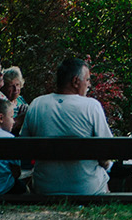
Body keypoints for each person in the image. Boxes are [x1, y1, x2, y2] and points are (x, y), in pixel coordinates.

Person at [21, 57, 112, 195]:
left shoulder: (36, 104)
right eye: (87, 80)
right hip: (85, 189)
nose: (89, 85)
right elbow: (107, 149)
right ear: (76, 81)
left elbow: (25, 146)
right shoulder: (92, 106)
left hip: (45, 187)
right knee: (104, 177)